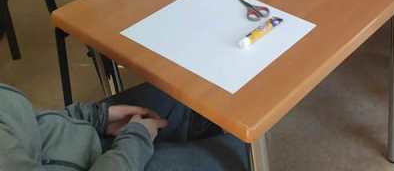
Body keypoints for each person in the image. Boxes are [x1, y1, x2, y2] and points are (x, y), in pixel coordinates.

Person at [0, 82, 248, 170]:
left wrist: (97, 117)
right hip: (98, 162)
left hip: (87, 141)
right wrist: (136, 139)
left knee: (188, 95)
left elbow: (30, 122)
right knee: (242, 151)